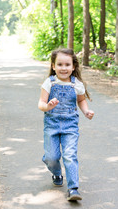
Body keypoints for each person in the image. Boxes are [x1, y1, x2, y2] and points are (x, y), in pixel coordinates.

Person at [38, 48, 94, 201]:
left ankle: (73, 188)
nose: (64, 68)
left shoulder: (77, 84)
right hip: (52, 125)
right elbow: (41, 103)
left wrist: (86, 111)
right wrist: (47, 106)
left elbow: (81, 100)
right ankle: (56, 172)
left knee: (70, 155)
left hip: (70, 126)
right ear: (53, 66)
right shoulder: (49, 82)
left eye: (67, 65)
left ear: (73, 66)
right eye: (60, 64)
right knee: (51, 157)